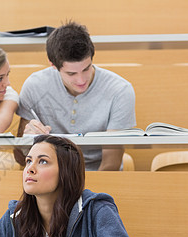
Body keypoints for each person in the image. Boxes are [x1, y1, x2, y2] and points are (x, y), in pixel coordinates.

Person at [0, 135, 139, 237]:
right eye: (28, 161)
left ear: (66, 171)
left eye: (43, 161)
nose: (30, 169)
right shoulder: (13, 216)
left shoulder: (97, 209)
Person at [15, 21, 136, 171]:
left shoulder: (120, 90)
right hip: (49, 177)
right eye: (71, 73)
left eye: (86, 69)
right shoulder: (34, 86)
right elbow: (20, 159)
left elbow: (111, 164)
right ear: (53, 65)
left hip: (99, 178)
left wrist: (86, 194)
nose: (81, 80)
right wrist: (28, 143)